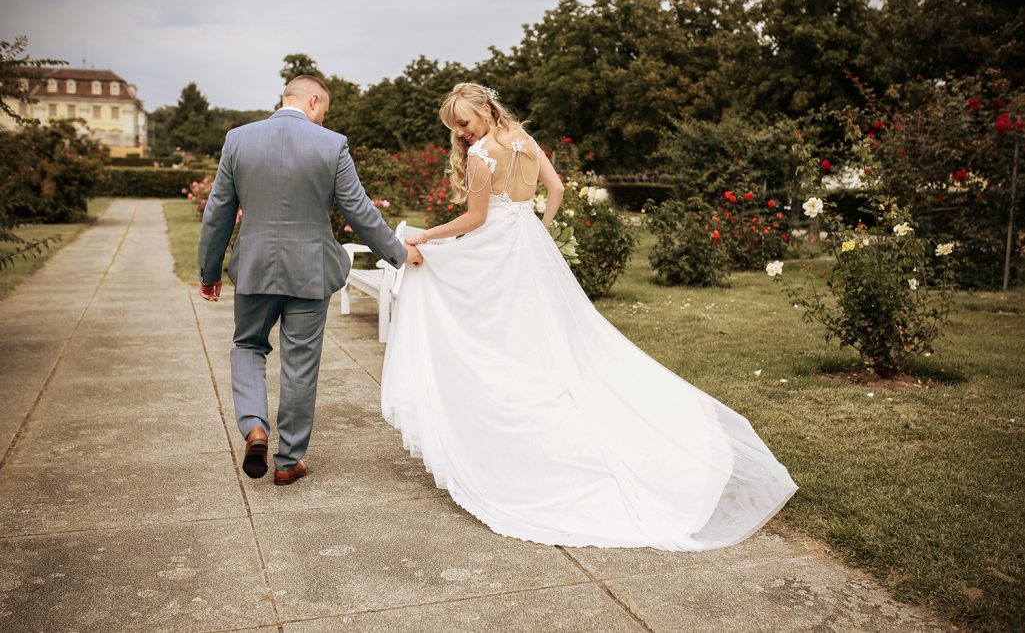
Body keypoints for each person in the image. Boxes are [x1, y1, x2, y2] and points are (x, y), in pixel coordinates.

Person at [380, 83, 797, 550]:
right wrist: (537, 229)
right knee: (545, 340)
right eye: (454, 125)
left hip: (495, 247)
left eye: (463, 121)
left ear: (484, 109)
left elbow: (475, 220)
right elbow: (554, 190)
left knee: (489, 329)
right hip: (528, 245)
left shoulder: (481, 155)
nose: (460, 131)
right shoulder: (524, 140)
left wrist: (425, 236)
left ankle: (512, 435)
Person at [198, 75, 422, 486]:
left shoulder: (238, 139)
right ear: (314, 100)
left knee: (247, 346)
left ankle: (255, 428)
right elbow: (358, 210)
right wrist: (398, 251)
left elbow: (218, 212)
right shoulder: (331, 143)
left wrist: (209, 272)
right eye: (324, 112)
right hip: (310, 271)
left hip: (254, 270)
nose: (322, 120)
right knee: (300, 365)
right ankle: (288, 462)